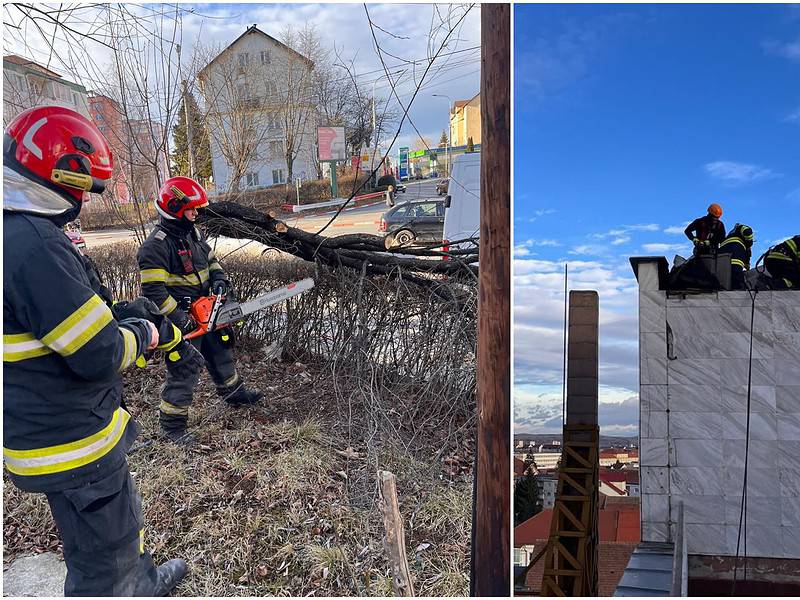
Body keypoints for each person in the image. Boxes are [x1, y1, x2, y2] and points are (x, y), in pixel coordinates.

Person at [3, 106, 187, 596]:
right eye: (82, 187)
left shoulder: (14, 232)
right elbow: (97, 353)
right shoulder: (33, 244)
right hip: (72, 441)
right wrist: (146, 335)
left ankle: (141, 581)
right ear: (58, 174)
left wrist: (126, 311)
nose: (83, 199)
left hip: (49, 429)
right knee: (104, 560)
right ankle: (126, 586)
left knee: (108, 537)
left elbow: (67, 319)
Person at [137, 176, 264, 444]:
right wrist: (181, 319)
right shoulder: (156, 246)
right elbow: (154, 292)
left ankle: (234, 393)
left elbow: (212, 261)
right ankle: (172, 425)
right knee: (185, 368)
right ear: (174, 208)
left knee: (221, 351)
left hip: (206, 310)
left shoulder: (194, 234)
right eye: (192, 209)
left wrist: (219, 281)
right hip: (179, 320)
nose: (196, 214)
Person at [718, 223, 755, 289]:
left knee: (724, 276)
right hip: (735, 251)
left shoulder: (731, 234)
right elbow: (747, 231)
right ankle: (738, 290)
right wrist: (749, 241)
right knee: (736, 274)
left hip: (721, 254)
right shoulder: (741, 228)